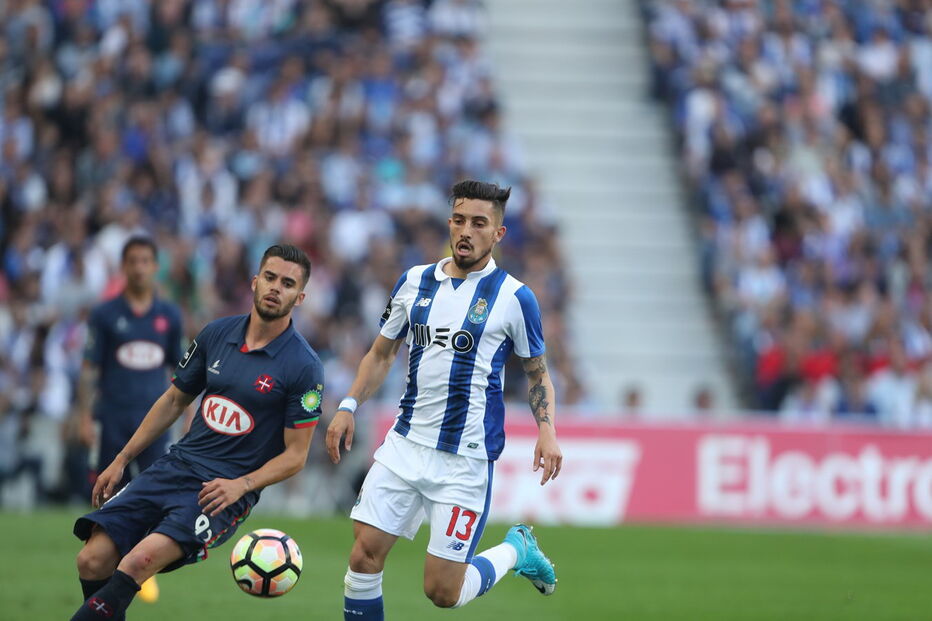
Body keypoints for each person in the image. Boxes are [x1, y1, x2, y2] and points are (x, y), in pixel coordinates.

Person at [327, 180, 563, 619]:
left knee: (442, 592)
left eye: (479, 223)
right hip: (406, 443)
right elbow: (381, 353)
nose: (466, 231)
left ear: (498, 233)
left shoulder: (515, 298)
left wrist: (547, 432)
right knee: (363, 557)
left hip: (464, 460)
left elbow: (538, 374)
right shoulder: (414, 281)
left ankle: (516, 549)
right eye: (459, 220)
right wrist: (348, 405)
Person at [68, 244, 324, 621]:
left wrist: (242, 486)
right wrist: (122, 459)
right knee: (91, 560)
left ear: (299, 297)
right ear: (255, 282)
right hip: (175, 465)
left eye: (288, 284)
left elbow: (296, 456)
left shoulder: (304, 367)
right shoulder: (216, 334)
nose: (276, 287)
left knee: (138, 561)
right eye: (270, 277)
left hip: (221, 491)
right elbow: (174, 400)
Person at [72, 236, 184, 604]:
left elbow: (183, 373)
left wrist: (186, 417)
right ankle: (100, 566)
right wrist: (84, 416)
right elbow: (89, 369)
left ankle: (136, 567)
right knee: (105, 498)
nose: (139, 268)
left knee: (155, 498)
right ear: (123, 267)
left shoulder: (169, 316)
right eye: (132, 261)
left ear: (155, 266)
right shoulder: (105, 314)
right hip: (112, 419)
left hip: (154, 423)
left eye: (145, 261)